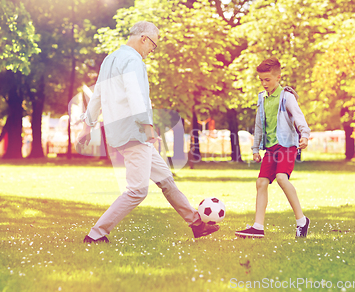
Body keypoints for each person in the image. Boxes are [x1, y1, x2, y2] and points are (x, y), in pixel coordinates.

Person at [77, 21, 219, 243]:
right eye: (153, 45)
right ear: (143, 38)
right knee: (137, 191)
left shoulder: (110, 59)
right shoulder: (134, 61)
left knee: (165, 180)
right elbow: (136, 96)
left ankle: (196, 224)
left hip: (121, 133)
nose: (152, 51)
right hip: (135, 133)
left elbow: (97, 96)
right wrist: (148, 127)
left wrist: (88, 125)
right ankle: (96, 234)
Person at [235, 57, 311, 239]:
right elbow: (259, 125)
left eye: (267, 79)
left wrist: (305, 135)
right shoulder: (262, 98)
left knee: (281, 178)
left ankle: (302, 221)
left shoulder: (287, 97)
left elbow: (299, 117)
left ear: (278, 77)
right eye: (261, 80)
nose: (264, 83)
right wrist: (255, 149)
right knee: (261, 182)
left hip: (286, 146)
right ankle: (258, 227)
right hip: (271, 149)